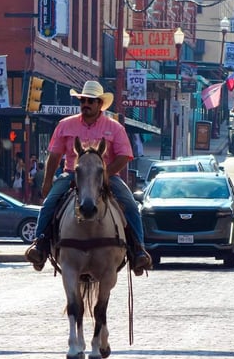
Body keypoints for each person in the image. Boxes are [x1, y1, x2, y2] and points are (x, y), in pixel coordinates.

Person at [24, 80, 152, 275]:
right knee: (49, 203)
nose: (86, 104)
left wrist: (104, 175)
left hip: (106, 174)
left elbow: (124, 155)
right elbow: (55, 155)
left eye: (91, 101)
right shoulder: (65, 125)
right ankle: (39, 244)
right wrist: (48, 181)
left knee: (131, 205)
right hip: (72, 173)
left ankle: (138, 250)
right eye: (83, 100)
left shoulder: (114, 127)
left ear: (100, 104)